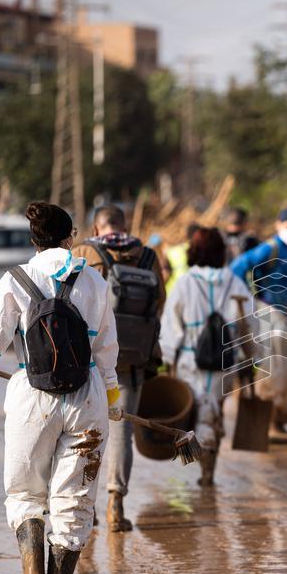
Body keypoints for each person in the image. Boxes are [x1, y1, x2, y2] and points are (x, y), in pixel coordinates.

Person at [0, 201, 119, 574]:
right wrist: (111, 397)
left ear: (34, 240)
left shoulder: (16, 278)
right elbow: (107, 349)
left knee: (24, 493)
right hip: (86, 398)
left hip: (30, 396)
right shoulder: (94, 281)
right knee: (75, 502)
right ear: (71, 238)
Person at [72, 204, 165, 533]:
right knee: (122, 430)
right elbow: (159, 303)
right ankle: (116, 503)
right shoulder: (148, 256)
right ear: (125, 226)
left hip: (87, 359)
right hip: (131, 358)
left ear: (97, 228)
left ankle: (86, 506)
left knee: (85, 431)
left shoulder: (83, 253)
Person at [161, 227, 255, 485]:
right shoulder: (236, 283)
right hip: (225, 362)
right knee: (215, 411)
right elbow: (250, 325)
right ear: (221, 253)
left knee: (195, 412)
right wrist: (251, 358)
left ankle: (197, 457)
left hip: (190, 361)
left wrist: (167, 360)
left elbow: (171, 325)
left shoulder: (184, 283)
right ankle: (208, 468)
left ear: (194, 252)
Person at [230, 207, 287, 433]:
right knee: (273, 365)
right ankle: (264, 418)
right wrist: (247, 295)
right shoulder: (270, 248)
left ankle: (280, 418)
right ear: (278, 225)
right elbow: (238, 267)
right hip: (270, 311)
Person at [163, 223, 200, 295]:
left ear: (187, 235)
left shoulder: (172, 252)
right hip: (191, 294)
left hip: (172, 292)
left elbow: (165, 274)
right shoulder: (201, 252)